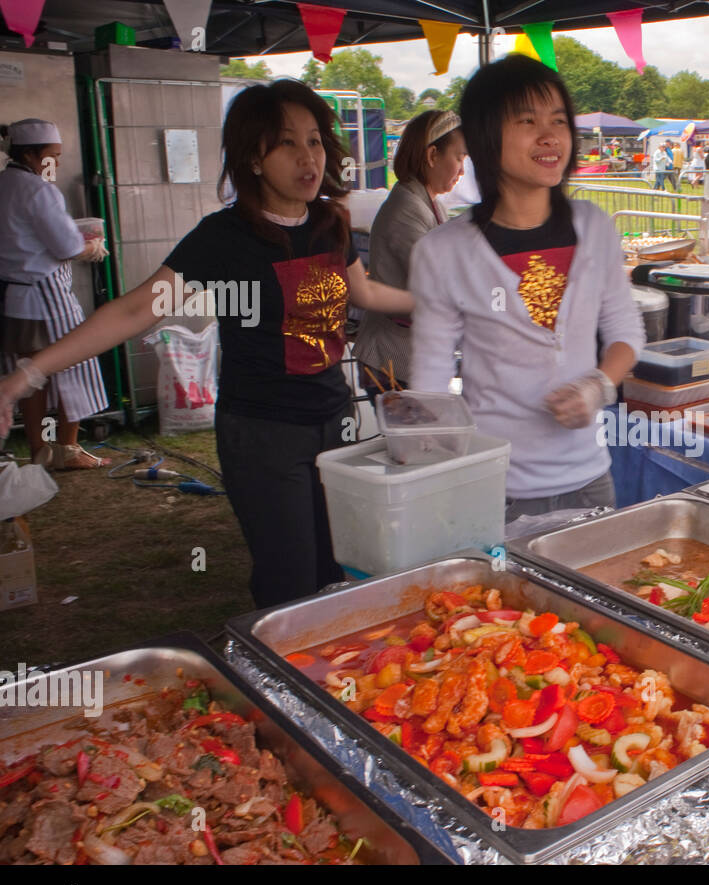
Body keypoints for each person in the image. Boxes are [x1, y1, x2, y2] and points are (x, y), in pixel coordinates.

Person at [0, 81, 414, 608]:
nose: (308, 157)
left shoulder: (330, 223)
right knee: (289, 579)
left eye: (314, 140)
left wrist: (437, 302)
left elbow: (365, 291)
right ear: (254, 158)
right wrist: (25, 376)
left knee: (343, 565)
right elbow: (133, 309)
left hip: (338, 421)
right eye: (287, 143)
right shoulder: (224, 237)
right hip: (264, 432)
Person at [407, 54, 643, 524]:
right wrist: (429, 476)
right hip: (496, 490)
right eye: (527, 121)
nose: (550, 136)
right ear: (485, 138)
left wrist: (598, 384)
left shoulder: (593, 226)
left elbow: (625, 330)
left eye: (559, 120)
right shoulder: (444, 252)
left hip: (589, 481)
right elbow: (431, 382)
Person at [0, 118, 112, 470]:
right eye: (52, 156)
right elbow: (65, 244)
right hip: (47, 296)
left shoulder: (3, 183)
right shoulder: (39, 190)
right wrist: (90, 247)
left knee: (30, 376)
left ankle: (39, 452)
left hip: (13, 297)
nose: (57, 163)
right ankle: (67, 447)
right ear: (31, 155)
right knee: (73, 366)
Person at [352, 109, 466, 393]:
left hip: (412, 358)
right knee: (414, 438)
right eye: (459, 158)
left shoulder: (431, 203)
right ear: (432, 156)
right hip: (391, 361)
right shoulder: (406, 210)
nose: (462, 170)